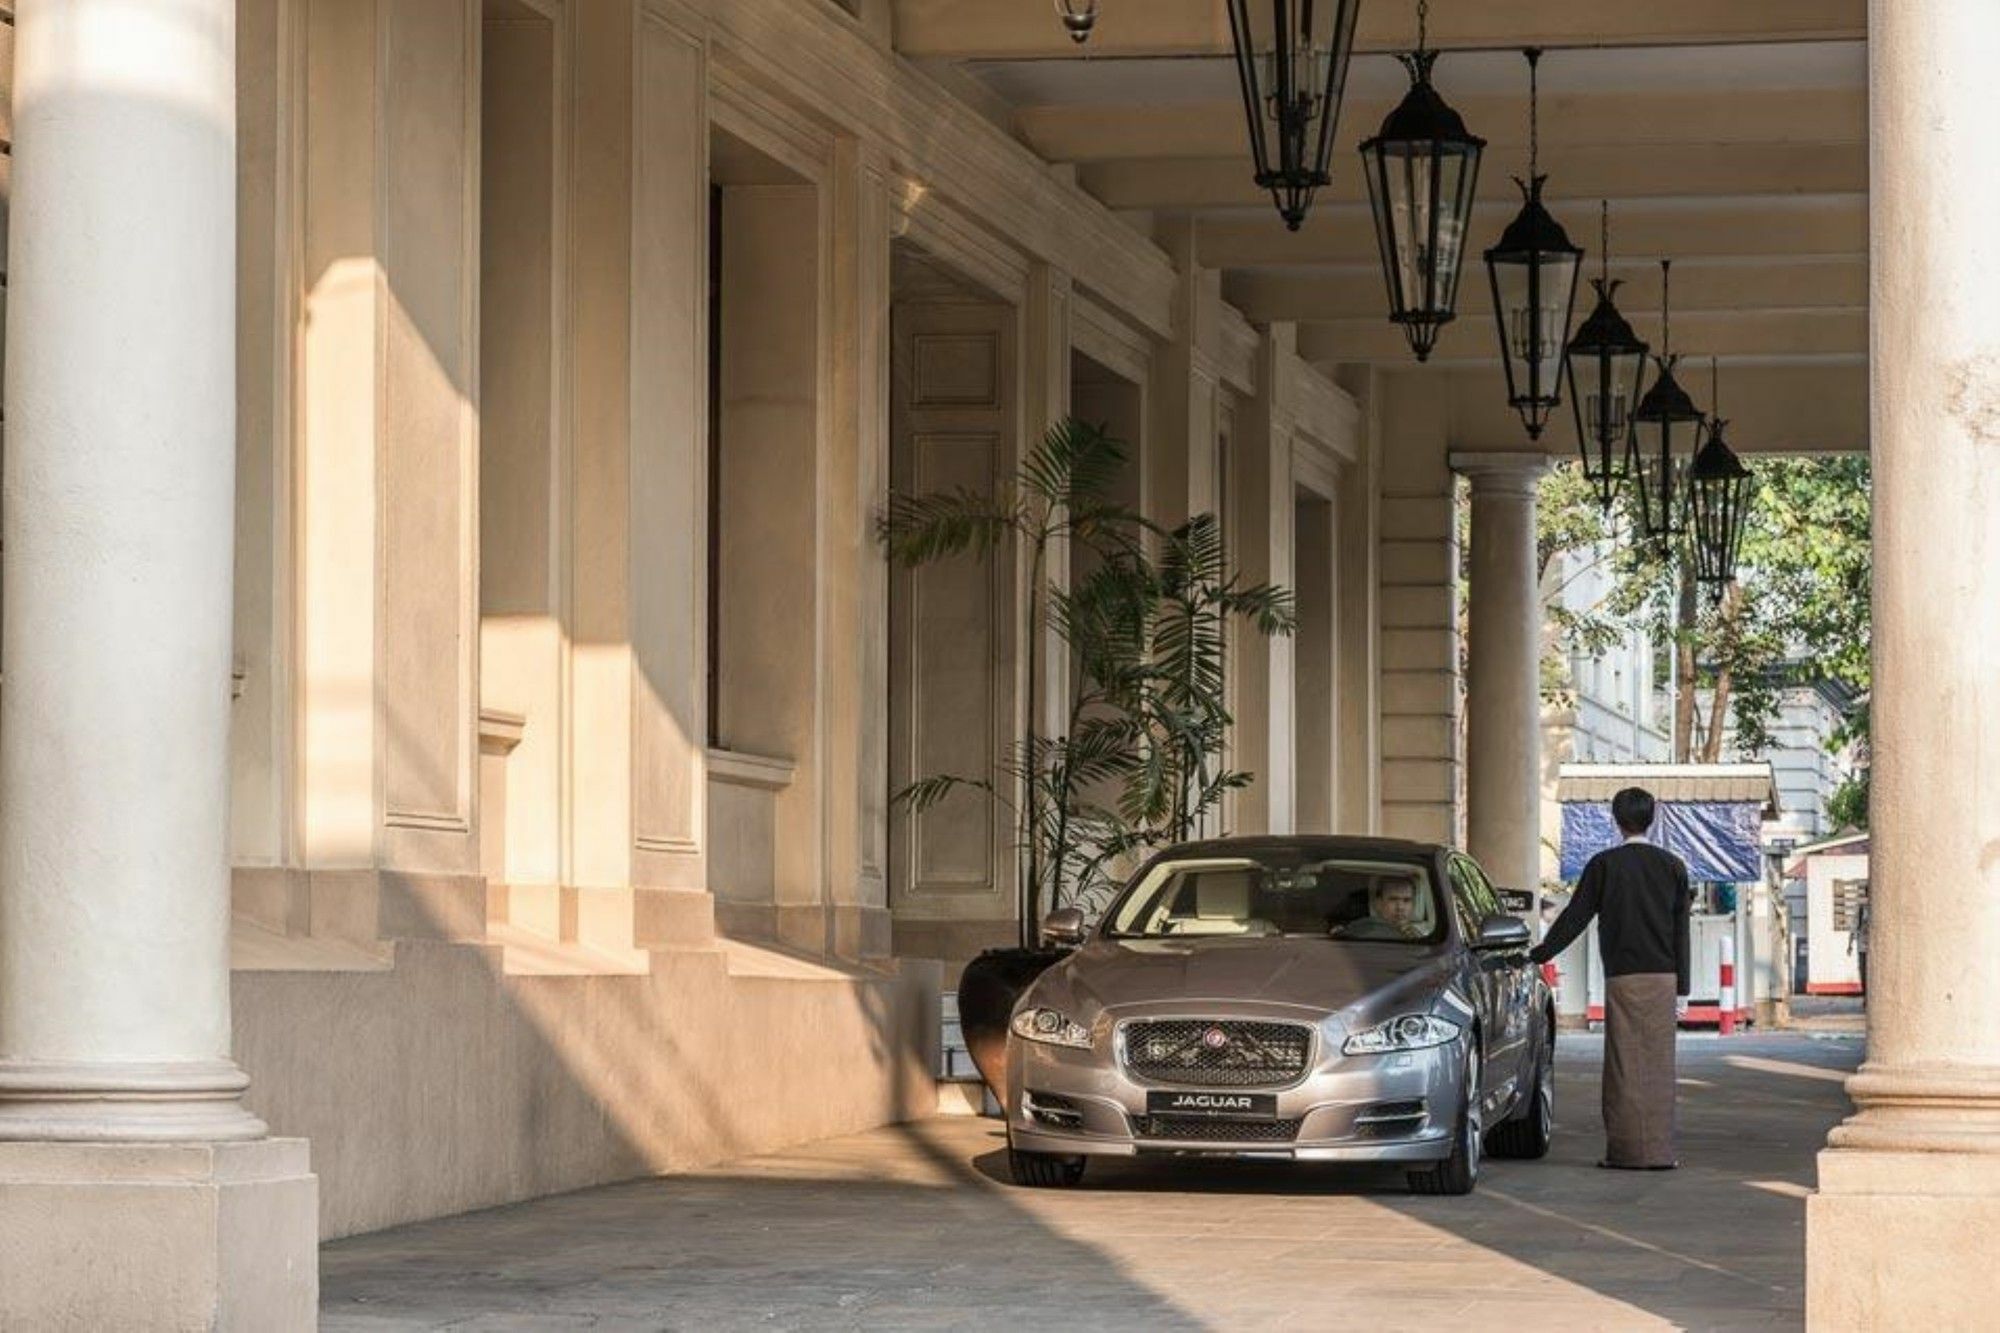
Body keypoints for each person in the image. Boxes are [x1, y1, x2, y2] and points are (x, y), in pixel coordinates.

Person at [1530, 787, 1692, 1170]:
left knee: (1623, 1066)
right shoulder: (1673, 866)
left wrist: (1538, 954)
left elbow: (1575, 917)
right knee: (1658, 1068)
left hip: (1622, 977)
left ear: (1616, 820)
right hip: (1663, 977)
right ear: (1651, 819)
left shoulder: (1604, 865)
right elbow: (1680, 931)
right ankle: (1659, 1152)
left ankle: (1625, 1152)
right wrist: (1683, 988)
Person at [1339, 878, 1424, 940]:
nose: (1400, 907)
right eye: (1393, 899)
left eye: (1406, 900)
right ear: (1378, 903)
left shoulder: (1422, 937)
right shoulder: (1358, 930)